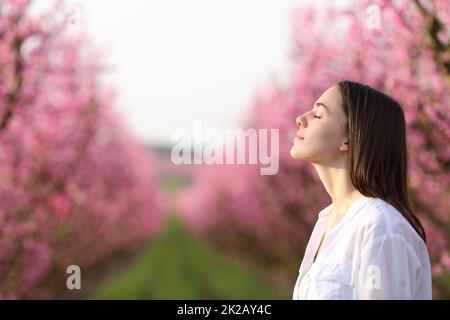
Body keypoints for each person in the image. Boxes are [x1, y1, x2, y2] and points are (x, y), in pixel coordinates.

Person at [290, 80, 432, 300]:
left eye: (318, 115)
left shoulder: (382, 228)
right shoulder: (326, 221)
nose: (301, 119)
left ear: (350, 137)